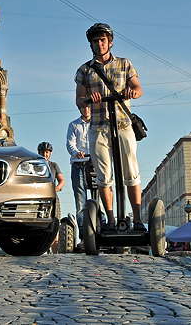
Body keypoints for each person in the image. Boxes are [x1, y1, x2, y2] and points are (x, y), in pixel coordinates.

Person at [75, 23, 144, 231]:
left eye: (102, 40)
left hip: (123, 125)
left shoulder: (125, 64)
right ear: (91, 44)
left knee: (131, 171)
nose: (99, 43)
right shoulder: (84, 70)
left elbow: (138, 87)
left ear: (110, 42)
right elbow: (79, 99)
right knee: (103, 177)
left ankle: (138, 219)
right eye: (95, 41)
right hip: (98, 127)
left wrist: (132, 92)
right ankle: (112, 221)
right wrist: (88, 99)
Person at [66, 107, 91, 222]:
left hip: (93, 163)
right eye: (84, 107)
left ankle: (101, 225)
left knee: (99, 195)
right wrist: (76, 153)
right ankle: (83, 232)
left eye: (88, 107)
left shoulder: (96, 124)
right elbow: (70, 143)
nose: (86, 109)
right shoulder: (73, 125)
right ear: (80, 109)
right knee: (80, 199)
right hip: (78, 164)